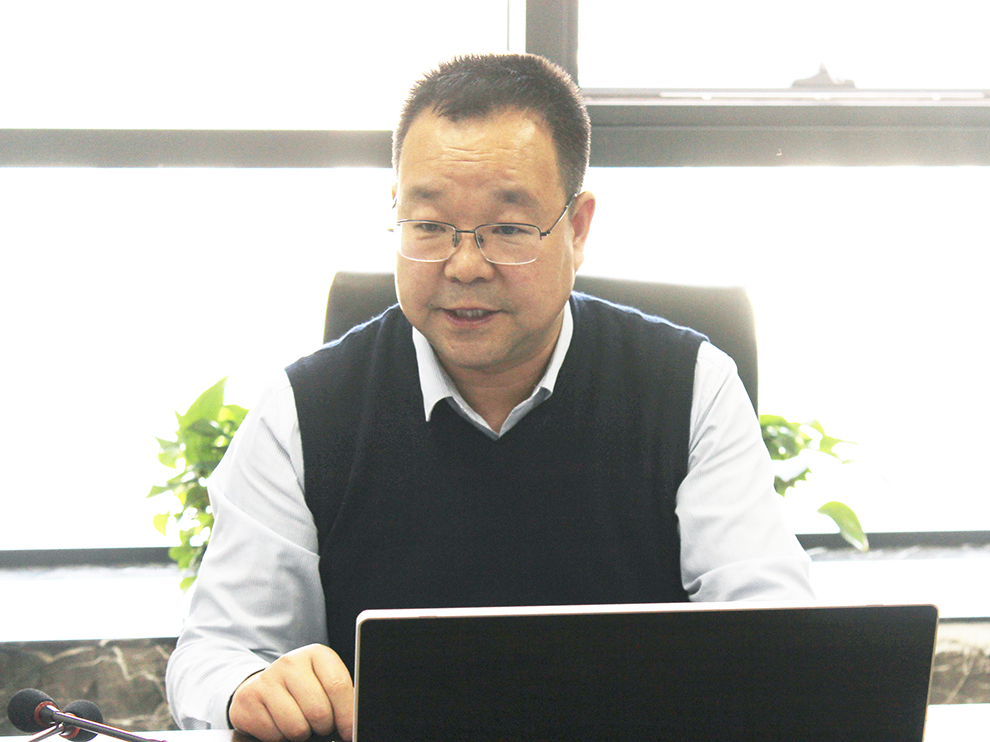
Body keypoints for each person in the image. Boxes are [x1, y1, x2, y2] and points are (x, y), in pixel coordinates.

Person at [165, 52, 814, 742]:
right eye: (429, 226)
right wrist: (248, 686)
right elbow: (216, 652)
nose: (465, 265)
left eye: (507, 230)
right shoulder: (302, 409)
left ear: (577, 229)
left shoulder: (690, 387)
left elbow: (774, 631)